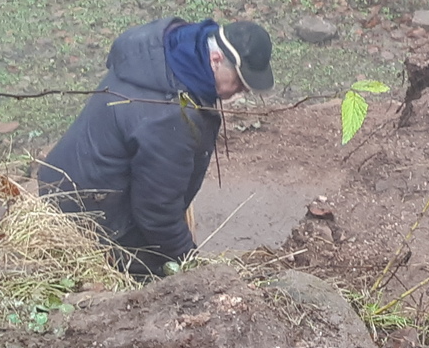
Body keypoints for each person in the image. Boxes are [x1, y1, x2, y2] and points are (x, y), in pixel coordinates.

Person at [39, 17, 275, 278]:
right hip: (86, 220)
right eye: (240, 81)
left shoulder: (168, 48)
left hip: (63, 181)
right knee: (153, 280)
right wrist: (189, 263)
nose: (242, 91)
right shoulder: (172, 115)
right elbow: (157, 213)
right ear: (216, 59)